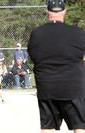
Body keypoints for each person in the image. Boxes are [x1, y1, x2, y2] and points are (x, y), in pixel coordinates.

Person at [27, 0, 85, 133]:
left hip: (47, 89)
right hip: (73, 89)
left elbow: (33, 57)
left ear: (47, 11)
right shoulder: (77, 32)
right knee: (79, 128)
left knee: (48, 128)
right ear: (64, 11)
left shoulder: (37, 33)